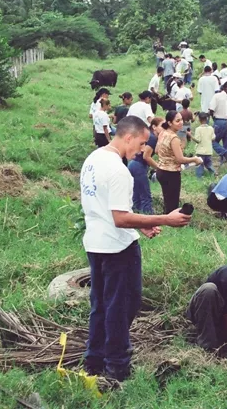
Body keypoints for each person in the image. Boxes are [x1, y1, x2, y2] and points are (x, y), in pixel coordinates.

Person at [80, 116, 192, 382]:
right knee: (123, 306)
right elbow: (120, 218)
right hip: (118, 248)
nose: (142, 150)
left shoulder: (93, 159)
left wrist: (139, 225)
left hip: (96, 243)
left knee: (101, 305)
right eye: (142, 143)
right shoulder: (120, 170)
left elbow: (110, 210)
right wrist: (165, 218)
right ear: (128, 137)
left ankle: (93, 361)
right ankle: (117, 367)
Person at [156, 111, 203, 213]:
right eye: (177, 121)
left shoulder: (163, 133)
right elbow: (180, 159)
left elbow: (156, 150)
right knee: (172, 204)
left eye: (181, 119)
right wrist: (194, 159)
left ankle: (166, 220)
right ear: (169, 123)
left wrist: (168, 155)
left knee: (167, 200)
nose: (181, 122)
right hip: (171, 173)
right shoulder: (174, 138)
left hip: (160, 170)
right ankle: (172, 223)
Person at [128, 117, 163, 214]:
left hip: (133, 164)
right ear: (154, 127)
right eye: (162, 126)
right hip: (139, 166)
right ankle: (148, 218)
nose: (164, 128)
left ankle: (136, 214)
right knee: (145, 195)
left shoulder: (150, 136)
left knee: (137, 193)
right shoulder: (152, 138)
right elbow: (146, 156)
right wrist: (159, 168)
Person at [209, 82, 227, 164]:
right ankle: (225, 160)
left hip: (219, 121)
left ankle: (224, 153)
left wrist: (213, 117)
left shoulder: (217, 96)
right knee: (226, 141)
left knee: (212, 141)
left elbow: (211, 109)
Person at [192, 112, 217, 178]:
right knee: (209, 164)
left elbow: (198, 140)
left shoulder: (198, 129)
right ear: (207, 118)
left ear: (199, 119)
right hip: (208, 150)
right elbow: (213, 138)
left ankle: (199, 178)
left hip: (200, 151)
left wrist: (190, 135)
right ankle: (214, 173)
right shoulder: (211, 128)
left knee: (199, 165)